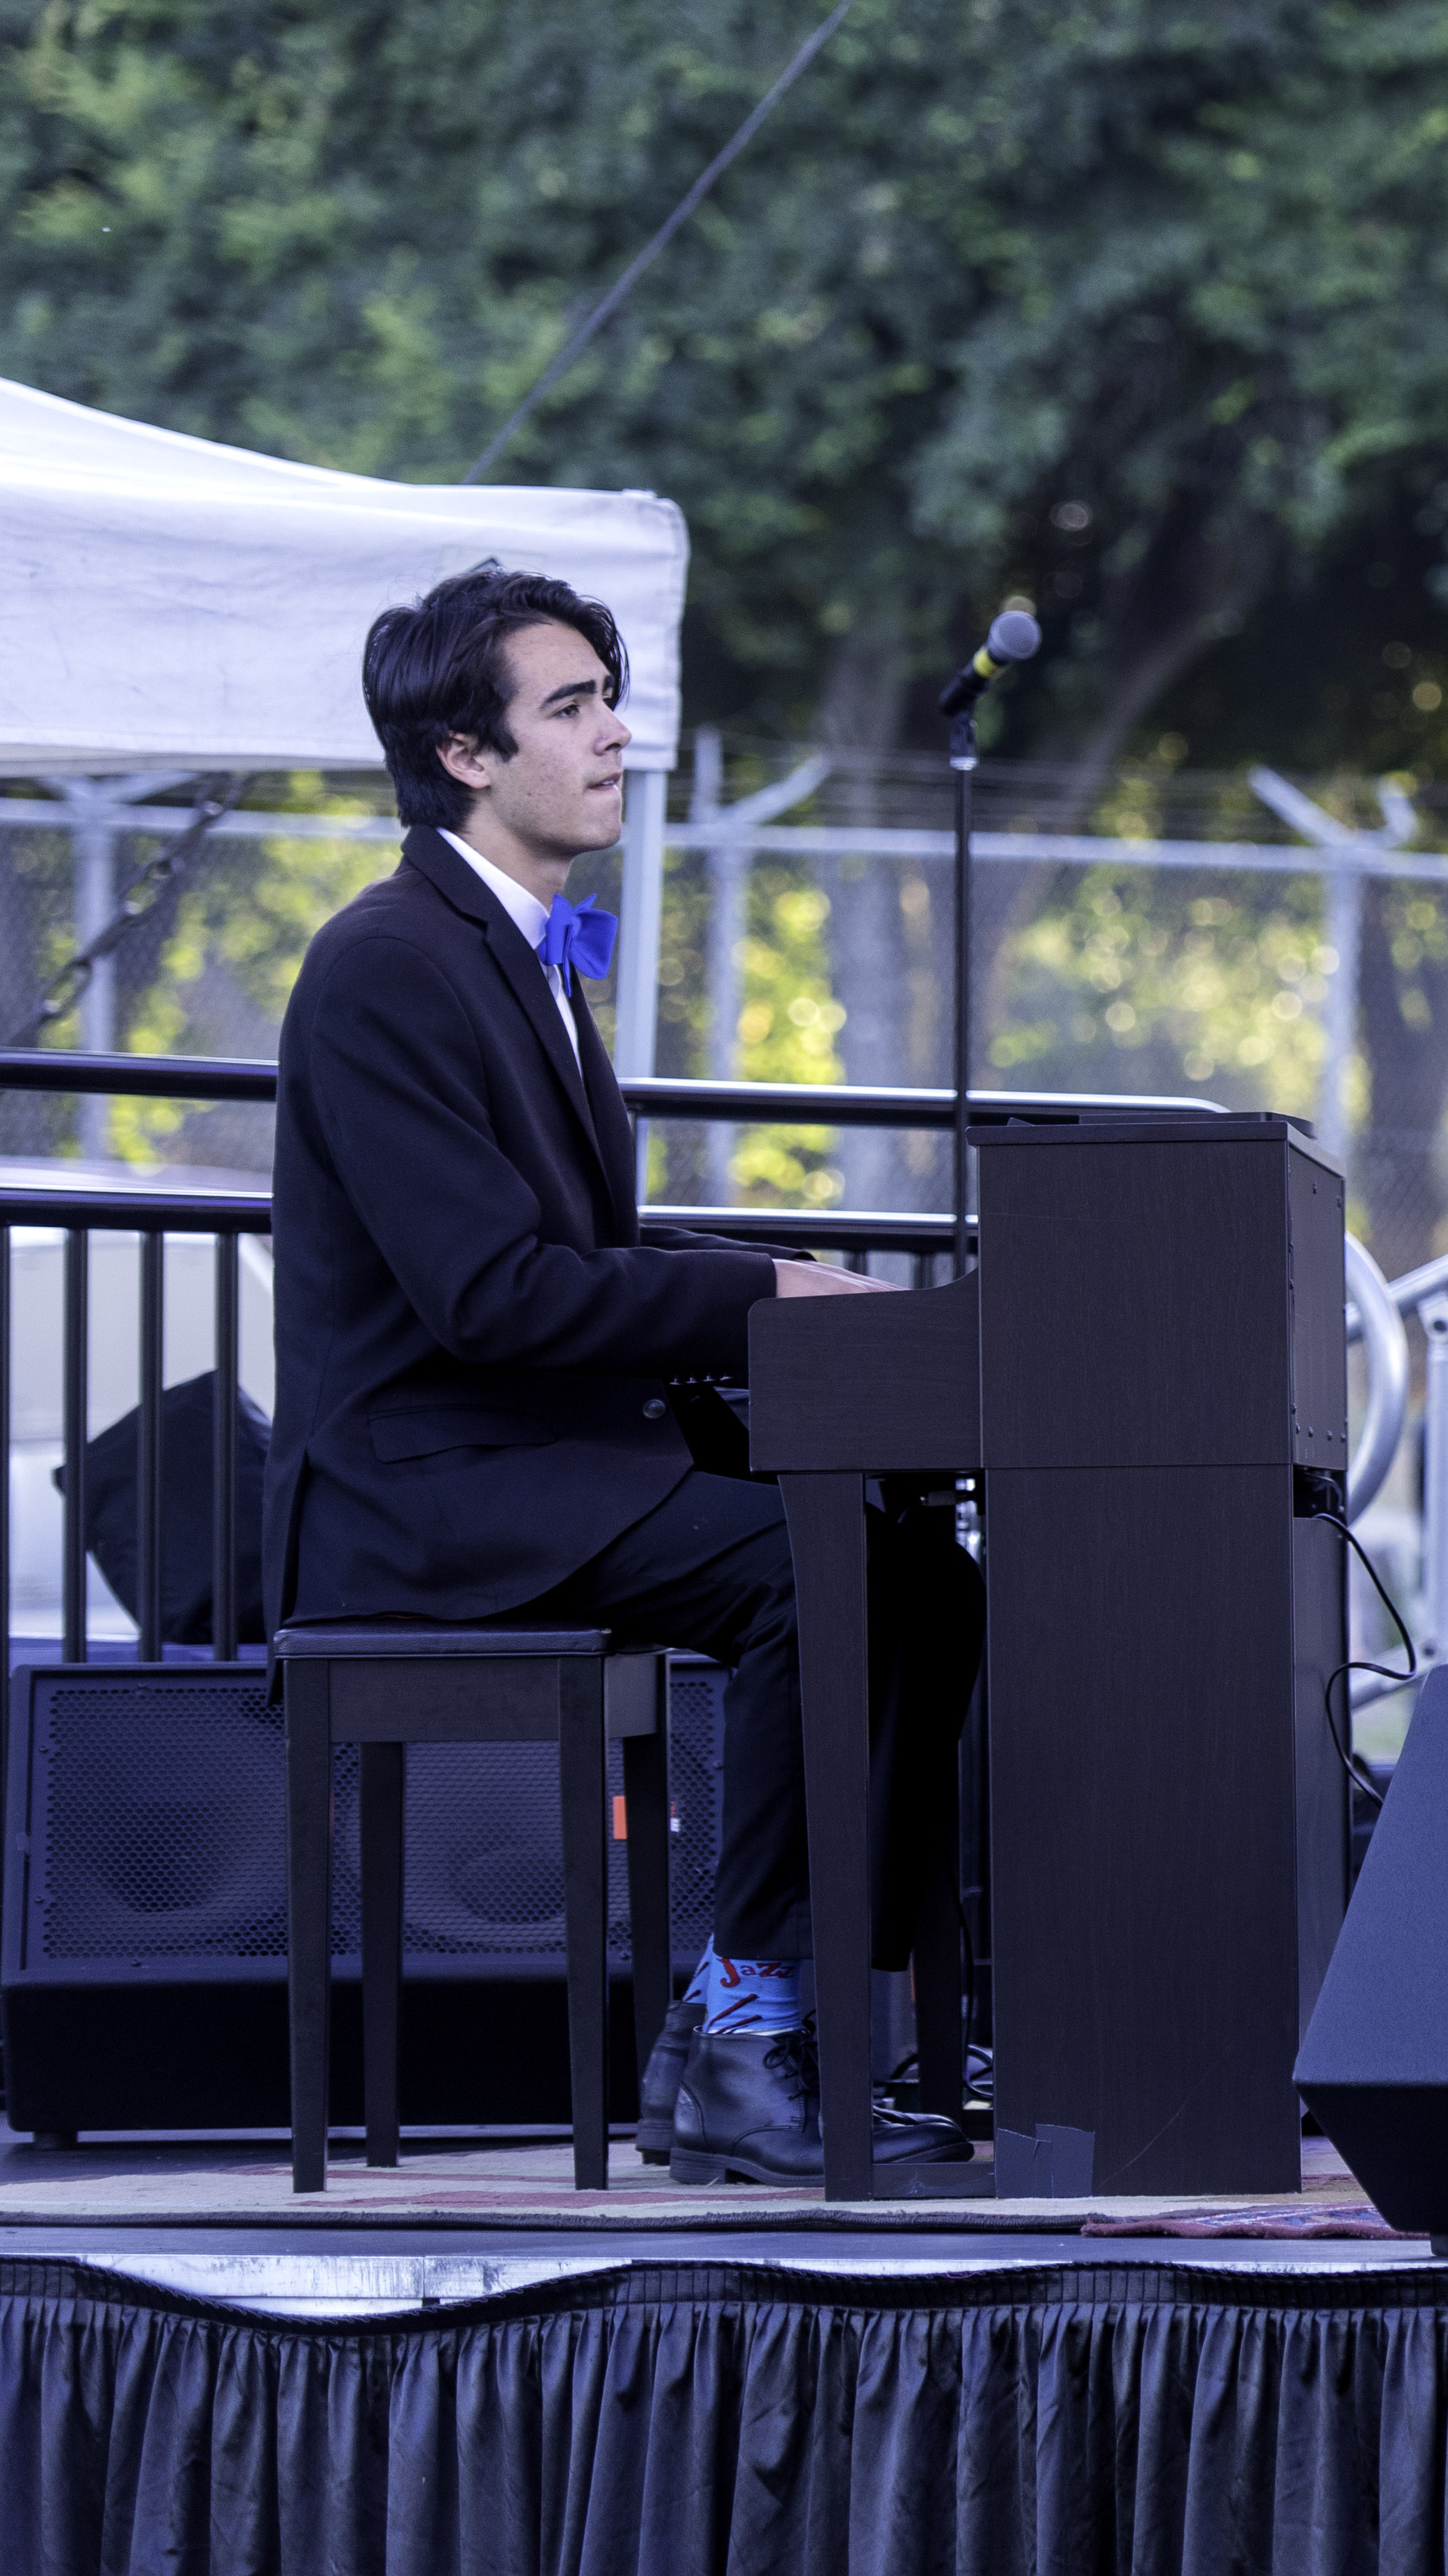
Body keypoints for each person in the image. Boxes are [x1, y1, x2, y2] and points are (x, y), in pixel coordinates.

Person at [270, 565, 981, 2183]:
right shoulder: (388, 958)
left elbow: (574, 1228)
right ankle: (748, 2020)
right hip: (426, 1488)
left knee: (921, 1579)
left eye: (610, 695)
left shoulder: (526, 944)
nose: (616, 734)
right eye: (572, 705)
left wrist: (780, 1268)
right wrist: (753, 1291)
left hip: (532, 1456)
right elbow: (491, 1294)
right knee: (824, 1580)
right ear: (465, 750)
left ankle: (760, 2005)